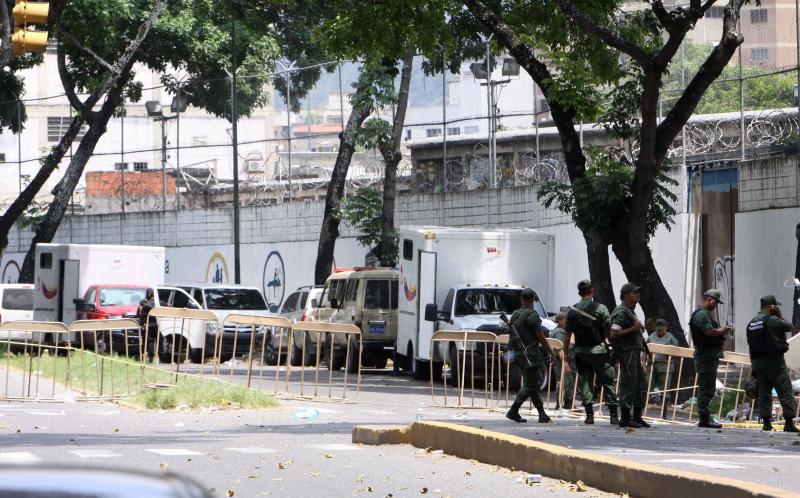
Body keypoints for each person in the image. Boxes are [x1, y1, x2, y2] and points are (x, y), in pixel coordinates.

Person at [564, 280, 619, 425]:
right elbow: (608, 332)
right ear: (592, 291)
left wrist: (566, 353)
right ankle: (613, 416)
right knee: (608, 381)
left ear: (579, 293)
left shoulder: (572, 311)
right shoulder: (601, 309)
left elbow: (567, 335)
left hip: (580, 352)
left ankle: (589, 416)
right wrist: (614, 346)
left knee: (586, 383)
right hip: (599, 351)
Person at [746, 295, 799, 432]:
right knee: (785, 390)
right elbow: (790, 327)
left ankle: (766, 423)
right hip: (774, 363)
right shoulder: (773, 320)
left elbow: (751, 346)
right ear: (772, 307)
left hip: (758, 363)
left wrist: (753, 368)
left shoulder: (751, 323)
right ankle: (788, 423)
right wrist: (779, 314)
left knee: (764, 392)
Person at [505, 288, 557, 424]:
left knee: (532, 384)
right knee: (530, 384)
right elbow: (541, 337)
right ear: (533, 300)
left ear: (522, 299)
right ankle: (513, 410)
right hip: (531, 354)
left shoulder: (515, 314)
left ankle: (542, 414)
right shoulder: (533, 315)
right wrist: (551, 352)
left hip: (519, 354)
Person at [689, 289, 732, 429]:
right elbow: (710, 332)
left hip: (708, 356)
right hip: (706, 356)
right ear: (710, 300)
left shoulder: (703, 314)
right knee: (706, 388)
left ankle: (705, 417)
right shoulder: (702, 314)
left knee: (707, 387)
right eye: (716, 302)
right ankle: (704, 418)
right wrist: (723, 330)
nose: (716, 306)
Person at [610, 283, 650, 429]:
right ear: (626, 295)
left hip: (634, 352)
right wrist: (634, 328)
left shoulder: (629, 311)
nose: (638, 295)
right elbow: (614, 334)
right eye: (635, 292)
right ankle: (625, 418)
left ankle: (637, 417)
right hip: (627, 353)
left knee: (640, 383)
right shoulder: (621, 312)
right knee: (628, 384)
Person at [647, 319, 679, 417]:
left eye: (662, 329)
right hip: (652, 366)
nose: (659, 331)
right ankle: (640, 412)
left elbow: (677, 351)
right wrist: (644, 364)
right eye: (658, 329)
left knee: (664, 390)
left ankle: (663, 413)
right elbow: (645, 349)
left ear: (666, 328)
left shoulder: (670, 337)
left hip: (665, 367)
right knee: (647, 387)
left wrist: (669, 352)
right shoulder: (651, 336)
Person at [550, 312, 576, 410]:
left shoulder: (559, 331)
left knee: (563, 382)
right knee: (566, 383)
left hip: (562, 362)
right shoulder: (559, 332)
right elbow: (560, 349)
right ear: (561, 321)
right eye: (566, 320)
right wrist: (565, 364)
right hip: (562, 362)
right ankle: (566, 404)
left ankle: (562, 404)